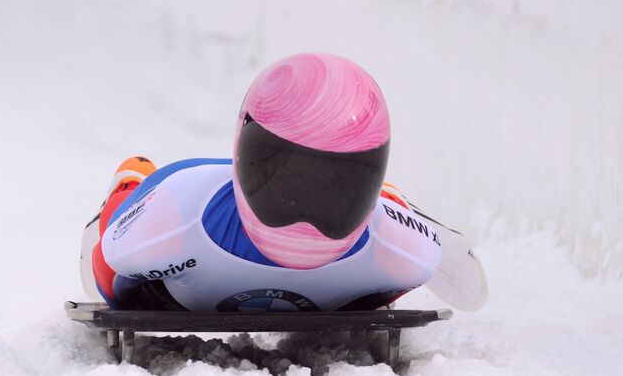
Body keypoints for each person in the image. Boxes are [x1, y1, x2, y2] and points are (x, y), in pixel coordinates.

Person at [78, 52, 454, 313]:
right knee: (112, 271)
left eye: (334, 181)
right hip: (183, 191)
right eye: (290, 175)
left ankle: (388, 198)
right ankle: (132, 182)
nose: (307, 204)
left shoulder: (409, 252)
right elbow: (109, 274)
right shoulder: (172, 214)